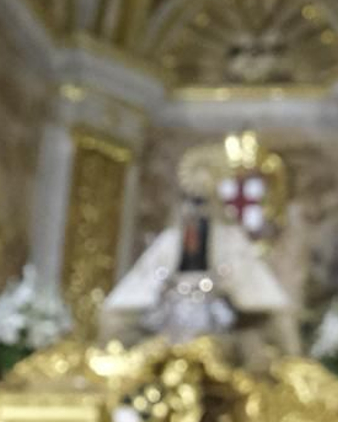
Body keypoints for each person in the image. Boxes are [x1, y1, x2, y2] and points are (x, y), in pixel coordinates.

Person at [102, 152, 296, 364]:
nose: (195, 211)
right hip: (168, 328)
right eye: (190, 200)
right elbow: (139, 289)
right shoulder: (170, 241)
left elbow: (257, 296)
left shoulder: (230, 241)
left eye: (202, 202)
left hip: (222, 329)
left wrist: (225, 289)